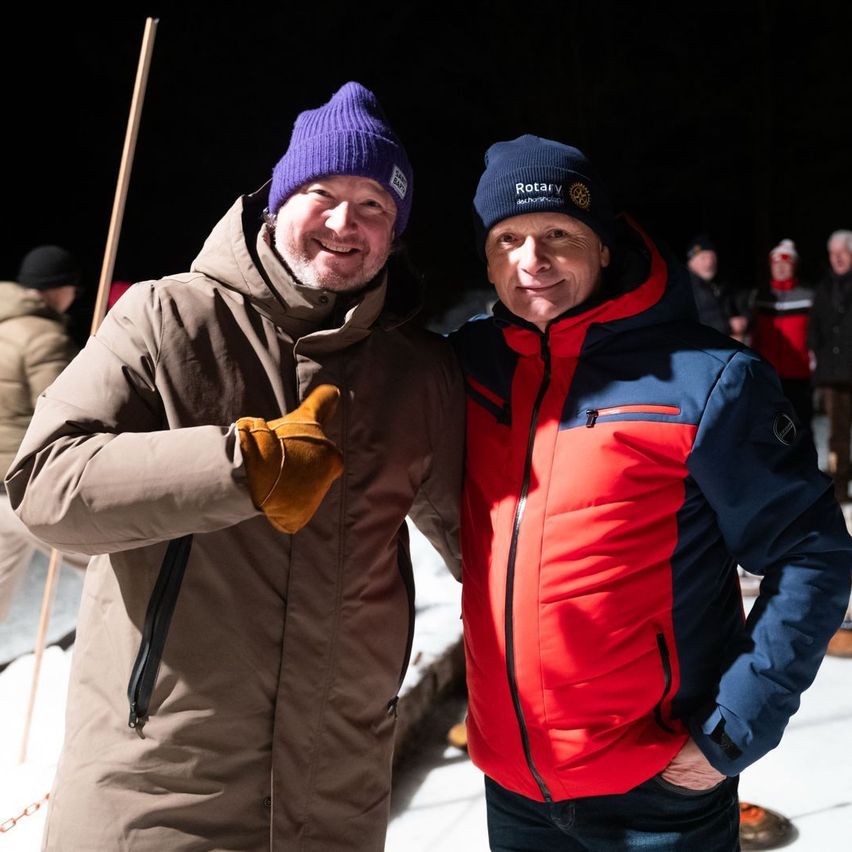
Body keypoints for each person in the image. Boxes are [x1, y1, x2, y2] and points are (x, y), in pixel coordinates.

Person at [6, 81, 464, 851]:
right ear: (278, 199)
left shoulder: (419, 372)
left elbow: (479, 542)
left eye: (374, 205)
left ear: (397, 231)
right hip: (162, 786)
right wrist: (237, 465)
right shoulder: (165, 316)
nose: (345, 222)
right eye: (322, 193)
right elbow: (45, 482)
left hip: (339, 793)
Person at [450, 135, 851, 851]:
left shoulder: (706, 380)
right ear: (486, 258)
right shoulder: (467, 370)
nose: (531, 260)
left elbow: (813, 555)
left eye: (557, 235)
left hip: (657, 793)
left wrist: (733, 728)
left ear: (605, 246)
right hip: (513, 789)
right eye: (506, 238)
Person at [0, 245, 89, 620]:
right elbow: (62, 413)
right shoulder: (44, 337)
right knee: (112, 557)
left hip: (0, 491)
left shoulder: (5, 326)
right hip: (22, 489)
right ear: (58, 288)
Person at [809, 229, 852, 659]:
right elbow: (817, 328)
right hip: (836, 371)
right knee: (837, 434)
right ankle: (840, 483)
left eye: (843, 253)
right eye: (833, 253)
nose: (837, 258)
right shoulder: (824, 288)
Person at [750, 239, 814, 431]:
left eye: (786, 264)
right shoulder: (760, 297)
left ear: (794, 266)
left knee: (801, 424)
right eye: (776, 264)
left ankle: (805, 461)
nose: (780, 268)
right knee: (772, 426)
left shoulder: (808, 296)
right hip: (768, 373)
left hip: (799, 372)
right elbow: (754, 333)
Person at [686, 233, 750, 342]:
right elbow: (691, 324)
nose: (709, 263)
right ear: (691, 262)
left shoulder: (721, 285)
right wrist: (729, 326)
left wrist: (744, 321)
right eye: (703, 257)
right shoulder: (685, 287)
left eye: (712, 257)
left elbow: (740, 307)